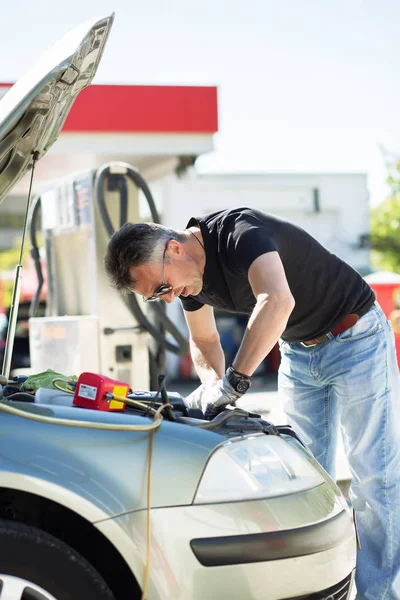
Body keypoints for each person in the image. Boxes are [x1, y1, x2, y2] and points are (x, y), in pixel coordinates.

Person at [105, 206, 400, 600]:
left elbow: (277, 300)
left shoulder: (239, 232)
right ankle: (322, 588)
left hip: (355, 337)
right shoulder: (190, 282)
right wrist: (213, 388)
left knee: (375, 477)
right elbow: (205, 341)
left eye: (161, 288)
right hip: (298, 352)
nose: (169, 298)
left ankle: (378, 594)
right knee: (306, 480)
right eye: (157, 298)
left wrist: (236, 380)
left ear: (174, 249)